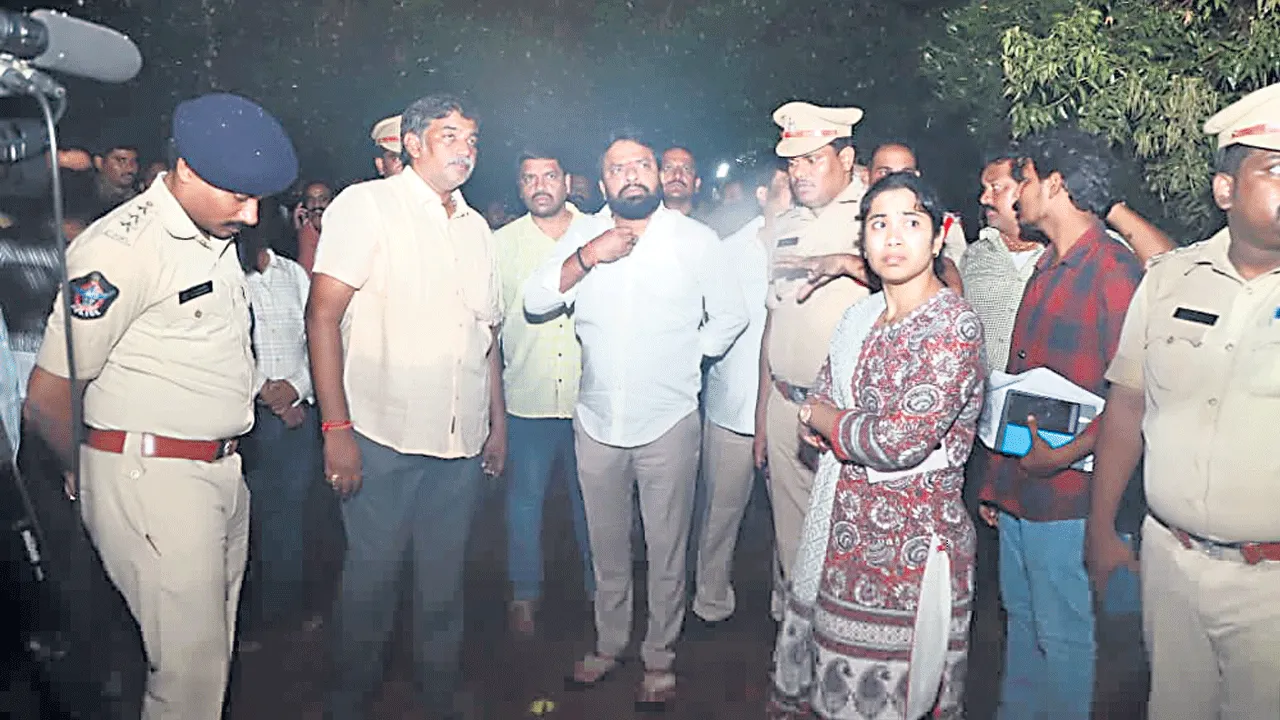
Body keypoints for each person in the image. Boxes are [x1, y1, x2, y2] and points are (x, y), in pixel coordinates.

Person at [22, 92, 297, 720]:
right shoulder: (120, 250)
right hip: (154, 478)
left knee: (206, 664)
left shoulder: (213, 231)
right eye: (239, 196)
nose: (252, 215)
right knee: (187, 676)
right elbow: (47, 399)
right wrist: (84, 471)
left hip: (221, 472)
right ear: (187, 170)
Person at [523, 130, 747, 708]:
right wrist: (587, 256)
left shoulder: (695, 240)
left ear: (657, 173)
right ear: (603, 183)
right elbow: (535, 300)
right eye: (618, 168)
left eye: (641, 165)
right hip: (597, 420)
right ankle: (609, 643)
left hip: (668, 418)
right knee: (607, 547)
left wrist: (688, 356)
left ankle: (660, 656)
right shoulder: (582, 234)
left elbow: (731, 316)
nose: (631, 175)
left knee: (668, 547)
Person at [1087, 81, 1280, 720]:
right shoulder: (1170, 280)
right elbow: (1127, 407)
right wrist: (1100, 527)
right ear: (1226, 189)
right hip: (1168, 563)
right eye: (1276, 169)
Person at [308, 93, 503, 720]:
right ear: (412, 145)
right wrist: (336, 429)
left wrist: (495, 426)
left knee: (444, 581)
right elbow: (322, 316)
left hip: (459, 443)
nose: (465, 150)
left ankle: (438, 692)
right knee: (373, 578)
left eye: (472, 139)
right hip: (382, 435)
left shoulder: (477, 230)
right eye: (450, 136)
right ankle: (349, 698)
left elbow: (487, 338)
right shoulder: (367, 205)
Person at [771, 172, 985, 719]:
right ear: (862, 240)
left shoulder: (952, 324)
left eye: (910, 222)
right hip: (844, 537)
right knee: (835, 690)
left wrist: (820, 416)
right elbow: (825, 392)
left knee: (902, 698)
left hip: (911, 550)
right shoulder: (860, 316)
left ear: (938, 238)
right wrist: (823, 416)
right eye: (878, 224)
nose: (893, 237)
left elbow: (897, 441)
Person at [975, 128, 1144, 720]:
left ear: (1055, 184)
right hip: (1023, 487)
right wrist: (997, 483)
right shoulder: (1048, 264)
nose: (1015, 193)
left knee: (1064, 635)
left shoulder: (1114, 272)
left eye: (1023, 179)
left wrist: (1063, 455)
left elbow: (1133, 399)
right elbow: (1021, 386)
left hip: (1071, 495)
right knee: (1023, 622)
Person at [755, 101, 870, 619]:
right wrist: (764, 414)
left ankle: (840, 640)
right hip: (785, 404)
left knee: (847, 538)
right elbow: (774, 320)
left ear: (845, 158)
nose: (799, 172)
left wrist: (845, 263)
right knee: (792, 540)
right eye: (792, 163)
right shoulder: (787, 223)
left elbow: (916, 284)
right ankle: (798, 641)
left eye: (812, 160)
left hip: (845, 411)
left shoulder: (877, 214)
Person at [495, 148, 593, 636]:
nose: (540, 186)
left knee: (592, 505)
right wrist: (493, 418)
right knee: (524, 503)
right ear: (519, 187)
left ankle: (603, 595)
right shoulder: (501, 244)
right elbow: (489, 329)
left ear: (567, 181)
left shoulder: (598, 232)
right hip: (526, 397)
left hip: (590, 399)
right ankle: (524, 594)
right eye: (529, 178)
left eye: (549, 176)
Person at [692, 160, 790, 628]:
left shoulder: (814, 253)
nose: (794, 195)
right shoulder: (728, 252)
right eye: (784, 188)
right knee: (720, 514)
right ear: (762, 196)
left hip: (788, 410)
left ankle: (787, 605)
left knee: (789, 518)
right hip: (731, 406)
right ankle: (709, 601)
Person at [239, 203, 320, 636]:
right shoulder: (226, 276)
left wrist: (296, 389)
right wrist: (269, 394)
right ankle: (251, 620)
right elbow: (227, 347)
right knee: (250, 521)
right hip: (249, 420)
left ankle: (287, 610)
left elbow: (317, 339)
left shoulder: (293, 275)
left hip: (298, 415)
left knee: (292, 516)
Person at [660, 146, 700, 216]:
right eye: (668, 167)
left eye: (686, 169)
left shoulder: (713, 220)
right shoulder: (642, 221)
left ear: (697, 183)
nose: (677, 175)